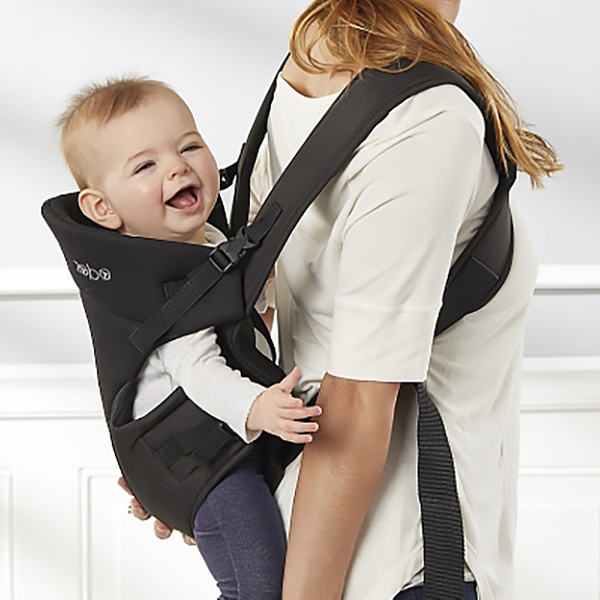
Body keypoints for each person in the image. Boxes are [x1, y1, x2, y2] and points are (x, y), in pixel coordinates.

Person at [124, 1, 562, 598]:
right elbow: (355, 398)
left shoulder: (310, 63)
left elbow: (254, 305)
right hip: (407, 559)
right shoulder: (428, 118)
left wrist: (204, 479)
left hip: (299, 530)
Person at [57, 76, 322, 600]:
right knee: (259, 587)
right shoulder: (162, 283)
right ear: (103, 208)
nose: (177, 167)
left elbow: (242, 313)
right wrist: (257, 408)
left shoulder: (209, 241)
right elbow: (197, 369)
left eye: (189, 146)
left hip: (221, 441)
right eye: (145, 166)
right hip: (204, 463)